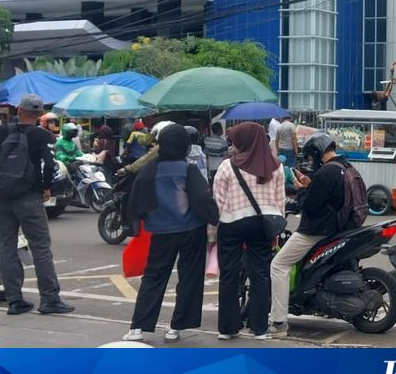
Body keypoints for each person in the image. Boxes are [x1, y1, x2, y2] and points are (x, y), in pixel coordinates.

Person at [0, 93, 75, 316]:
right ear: (39, 115)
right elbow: (49, 165)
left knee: (6, 247)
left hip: (2, 200)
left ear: (18, 111)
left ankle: (14, 301)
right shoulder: (41, 136)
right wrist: (45, 187)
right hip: (29, 198)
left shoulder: (2, 132)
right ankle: (49, 299)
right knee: (40, 247)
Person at [121, 125, 218, 343]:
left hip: (161, 231)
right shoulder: (188, 169)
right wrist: (213, 216)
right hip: (191, 229)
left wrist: (140, 223)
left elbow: (135, 197)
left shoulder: (151, 168)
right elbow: (201, 199)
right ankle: (176, 327)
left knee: (154, 277)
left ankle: (138, 327)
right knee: (189, 278)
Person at [269, 132, 349, 339]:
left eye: (312, 156)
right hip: (335, 227)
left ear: (316, 152)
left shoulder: (325, 173)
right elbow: (327, 196)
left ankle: (278, 322)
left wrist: (300, 190)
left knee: (278, 265)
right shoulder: (343, 167)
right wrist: (310, 184)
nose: (311, 161)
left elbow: (311, 207)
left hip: (314, 230)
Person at [212, 122, 284, 340]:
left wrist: (211, 232)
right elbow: (280, 203)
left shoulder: (227, 166)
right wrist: (276, 232)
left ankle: (228, 328)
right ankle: (260, 328)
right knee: (260, 274)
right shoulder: (276, 167)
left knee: (229, 275)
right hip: (262, 224)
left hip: (231, 223)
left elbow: (217, 201)